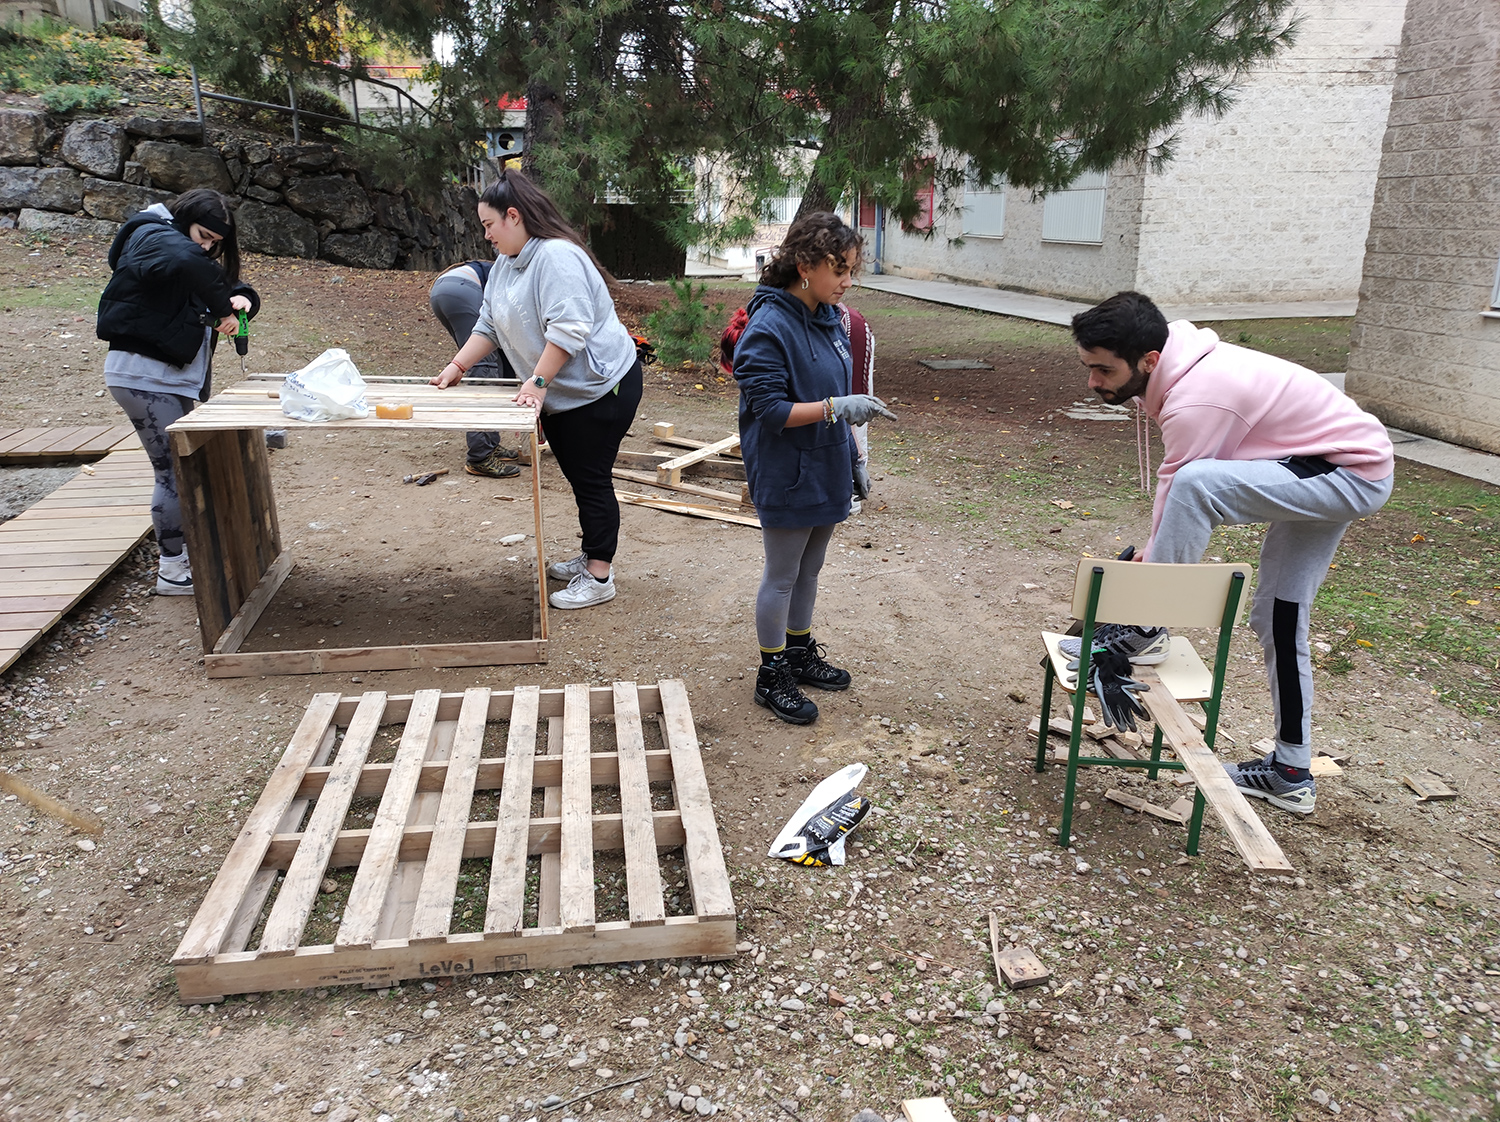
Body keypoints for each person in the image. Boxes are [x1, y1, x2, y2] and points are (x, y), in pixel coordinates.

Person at [1065, 291, 1394, 816]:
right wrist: (1153, 556)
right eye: (1088, 367)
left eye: (1103, 371)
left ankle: (1149, 629)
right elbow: (1175, 491)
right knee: (1278, 615)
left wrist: (1147, 583)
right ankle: (1290, 772)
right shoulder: (1174, 369)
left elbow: (1183, 487)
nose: (1093, 382)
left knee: (1198, 484)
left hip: (1345, 471)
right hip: (1314, 463)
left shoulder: (1199, 398)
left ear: (1149, 360)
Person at [431, 171, 641, 610]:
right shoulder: (509, 262)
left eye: (489, 224)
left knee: (591, 479)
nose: (485, 234)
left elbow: (569, 330)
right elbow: (488, 323)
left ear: (513, 216)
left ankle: (600, 575)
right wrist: (457, 365)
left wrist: (538, 382)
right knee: (579, 476)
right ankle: (591, 556)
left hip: (602, 388)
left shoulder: (556, 258)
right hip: (563, 391)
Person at [731, 212, 896, 725]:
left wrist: (854, 457)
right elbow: (773, 412)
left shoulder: (828, 318)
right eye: (840, 270)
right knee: (782, 574)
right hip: (786, 468)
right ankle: (771, 672)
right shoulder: (768, 327)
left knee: (811, 567)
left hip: (826, 463)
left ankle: (799, 652)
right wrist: (836, 408)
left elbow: (836, 395)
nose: (848, 281)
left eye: (851, 270)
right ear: (805, 266)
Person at [96, 189, 260, 597]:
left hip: (169, 380)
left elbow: (221, 282)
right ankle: (172, 570)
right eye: (203, 236)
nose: (205, 247)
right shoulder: (151, 235)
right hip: (143, 376)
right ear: (183, 217)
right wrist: (223, 308)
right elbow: (191, 263)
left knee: (185, 471)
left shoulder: (177, 250)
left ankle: (187, 557)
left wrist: (243, 300)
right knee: (172, 473)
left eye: (214, 243)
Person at [428, 260, 524, 478]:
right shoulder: (517, 275)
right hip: (464, 290)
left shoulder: (501, 271)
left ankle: (489, 442)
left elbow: (507, 359)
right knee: (484, 366)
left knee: (491, 363)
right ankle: (479, 456)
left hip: (443, 290)